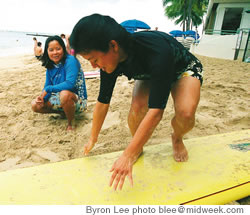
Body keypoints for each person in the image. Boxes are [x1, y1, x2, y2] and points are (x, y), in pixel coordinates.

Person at [70, 14, 203, 190]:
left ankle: (177, 138)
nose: (94, 66)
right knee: (138, 108)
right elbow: (103, 102)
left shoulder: (156, 51)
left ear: (113, 46)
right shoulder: (109, 60)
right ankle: (138, 145)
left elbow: (156, 112)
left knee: (185, 114)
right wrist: (93, 138)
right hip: (149, 73)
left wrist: (127, 155)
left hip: (182, 67)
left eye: (94, 60)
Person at [31, 35, 87, 131]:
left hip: (78, 101)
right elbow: (47, 86)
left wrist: (48, 89)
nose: (55, 52)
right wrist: (42, 98)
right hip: (60, 99)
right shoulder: (50, 65)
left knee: (65, 94)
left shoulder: (71, 61)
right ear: (47, 51)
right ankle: (64, 112)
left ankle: (71, 123)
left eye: (58, 49)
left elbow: (69, 84)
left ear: (63, 49)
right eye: (51, 50)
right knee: (35, 105)